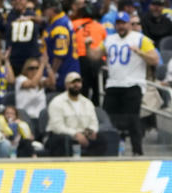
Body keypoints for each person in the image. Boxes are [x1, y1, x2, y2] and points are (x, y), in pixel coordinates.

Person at [104, 11, 158, 156]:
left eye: (123, 23)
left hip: (133, 84)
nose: (121, 26)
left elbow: (155, 59)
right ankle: (112, 150)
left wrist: (140, 52)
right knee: (109, 119)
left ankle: (137, 151)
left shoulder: (140, 39)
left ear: (129, 24)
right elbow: (97, 54)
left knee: (133, 119)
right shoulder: (110, 39)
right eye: (118, 23)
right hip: (113, 84)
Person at [45, 72, 105, 156]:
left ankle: (99, 167)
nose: (76, 85)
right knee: (65, 139)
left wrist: (90, 132)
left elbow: (94, 122)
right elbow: (57, 127)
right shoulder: (57, 102)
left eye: (79, 82)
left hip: (84, 134)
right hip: (61, 136)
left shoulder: (87, 103)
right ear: (66, 85)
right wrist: (75, 134)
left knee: (102, 138)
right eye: (73, 82)